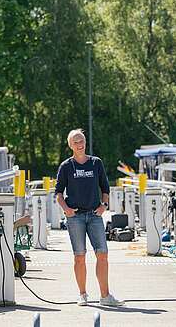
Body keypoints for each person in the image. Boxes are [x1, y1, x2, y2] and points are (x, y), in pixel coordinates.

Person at [55, 128, 124, 306]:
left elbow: (105, 188)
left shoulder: (96, 163)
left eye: (82, 141)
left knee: (102, 254)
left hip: (94, 216)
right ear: (70, 145)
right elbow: (58, 194)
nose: (79, 144)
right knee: (79, 256)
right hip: (75, 217)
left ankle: (105, 296)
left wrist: (104, 206)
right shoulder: (66, 166)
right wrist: (66, 210)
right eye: (76, 142)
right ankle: (82, 294)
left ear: (85, 143)